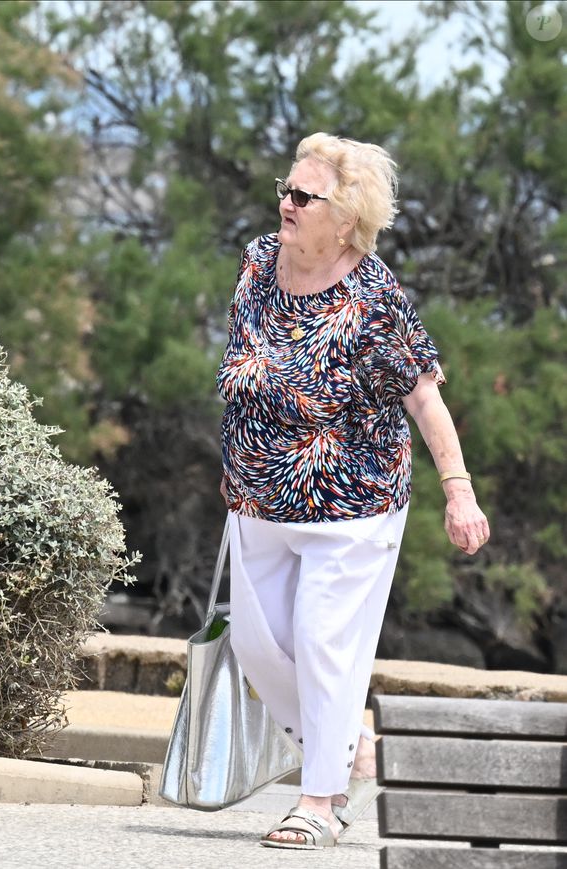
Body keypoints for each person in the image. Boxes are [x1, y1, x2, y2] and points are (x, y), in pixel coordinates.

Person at [216, 132, 490, 850]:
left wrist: (458, 490)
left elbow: (426, 400)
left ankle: (318, 799)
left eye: (305, 196)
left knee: (323, 639)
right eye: (287, 188)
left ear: (346, 220)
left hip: (353, 503)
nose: (287, 202)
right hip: (257, 495)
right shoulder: (255, 264)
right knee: (254, 643)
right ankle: (347, 749)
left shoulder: (374, 298)